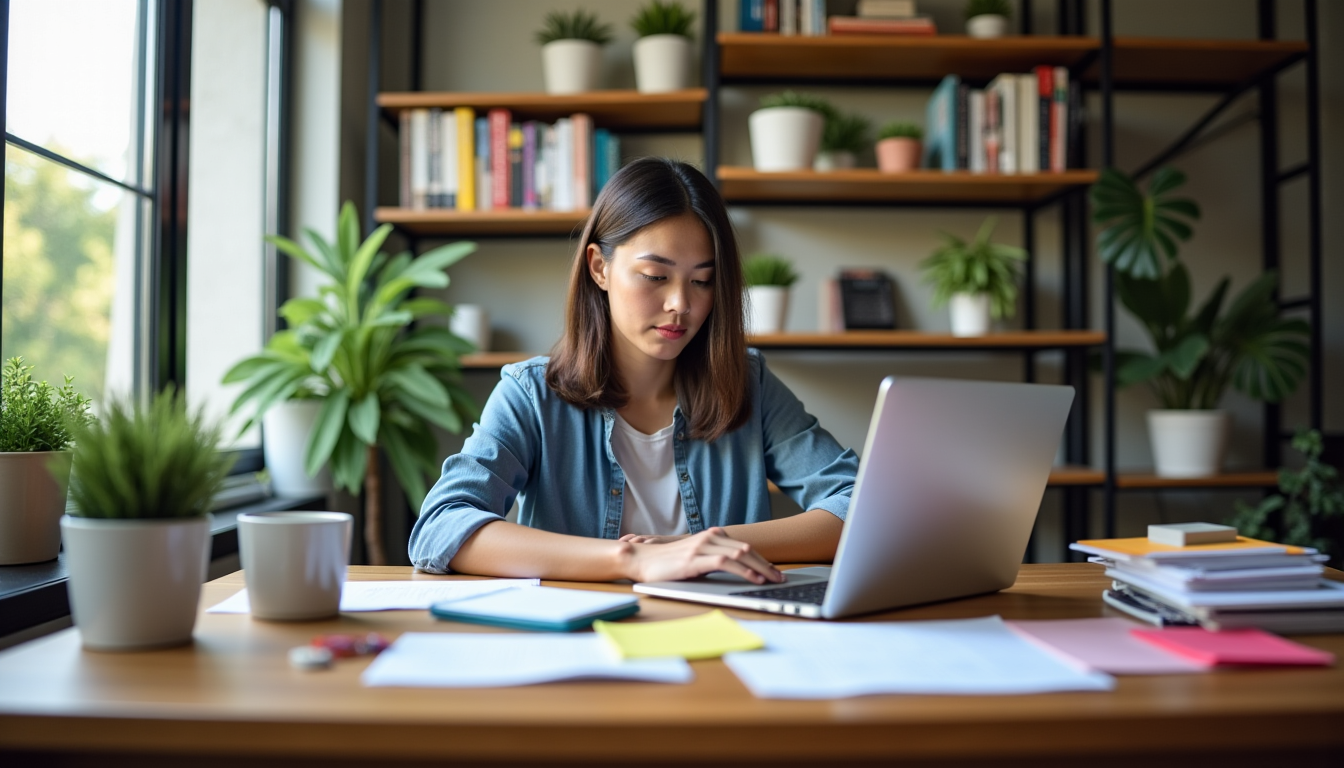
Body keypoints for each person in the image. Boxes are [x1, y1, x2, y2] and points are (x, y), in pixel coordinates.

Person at [409, 157, 858, 585]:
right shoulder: (531, 394)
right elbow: (441, 526)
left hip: (720, 626)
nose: (680, 304)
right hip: (585, 631)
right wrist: (632, 559)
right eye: (655, 276)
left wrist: (706, 547)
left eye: (702, 281)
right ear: (599, 268)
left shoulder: (747, 383)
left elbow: (860, 503)